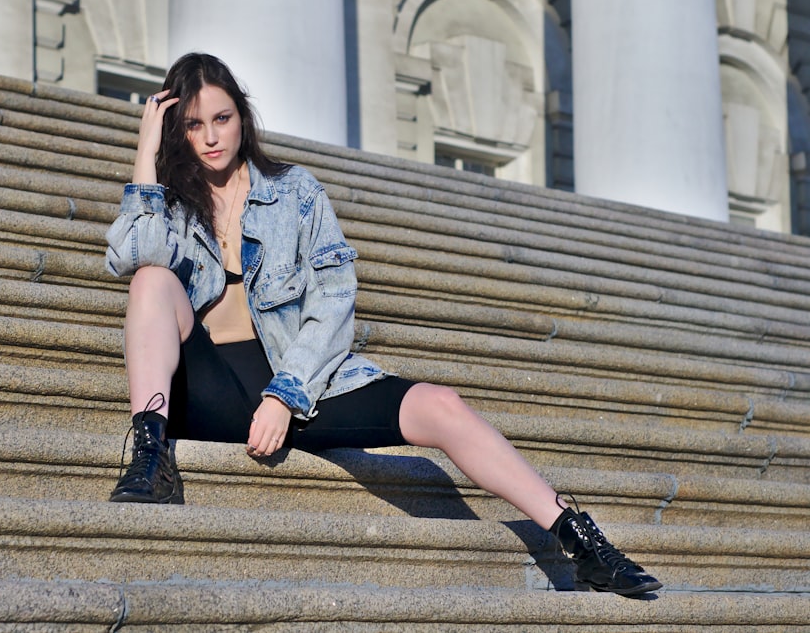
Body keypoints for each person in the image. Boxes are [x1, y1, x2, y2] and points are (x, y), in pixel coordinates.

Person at [104, 53, 662, 597]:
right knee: (152, 280)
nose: (210, 137)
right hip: (211, 389)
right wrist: (147, 155)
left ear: (242, 118)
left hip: (297, 383)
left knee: (442, 404)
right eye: (193, 124)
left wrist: (285, 394)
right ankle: (150, 456)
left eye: (222, 118)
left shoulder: (296, 192)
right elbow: (130, 254)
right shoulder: (171, 205)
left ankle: (579, 538)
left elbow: (336, 298)